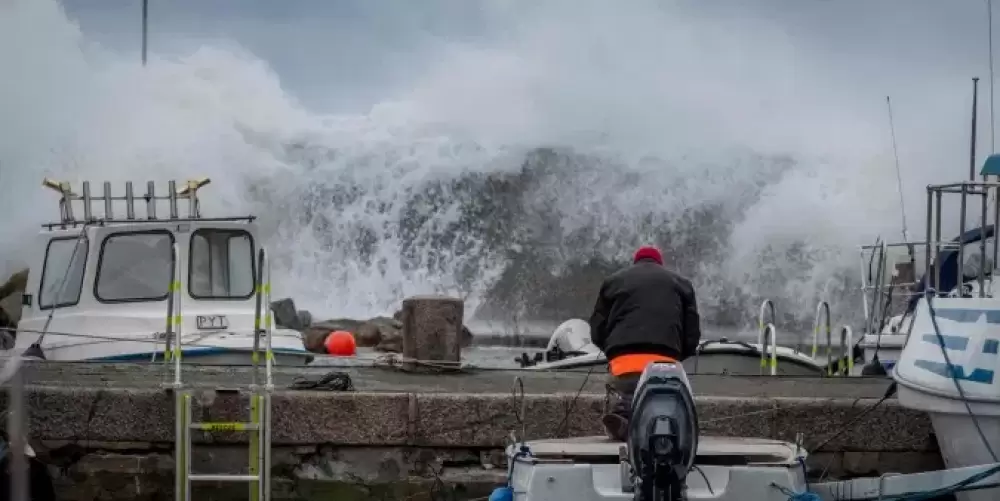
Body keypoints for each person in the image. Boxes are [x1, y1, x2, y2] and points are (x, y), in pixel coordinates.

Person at [589, 245, 702, 441]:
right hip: (665, 361)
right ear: (659, 263)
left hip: (623, 363)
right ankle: (656, 424)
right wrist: (677, 355)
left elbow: (597, 331)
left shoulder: (613, 282)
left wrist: (612, 351)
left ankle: (624, 411)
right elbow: (692, 336)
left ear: (636, 262)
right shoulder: (682, 284)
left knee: (630, 386)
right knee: (661, 396)